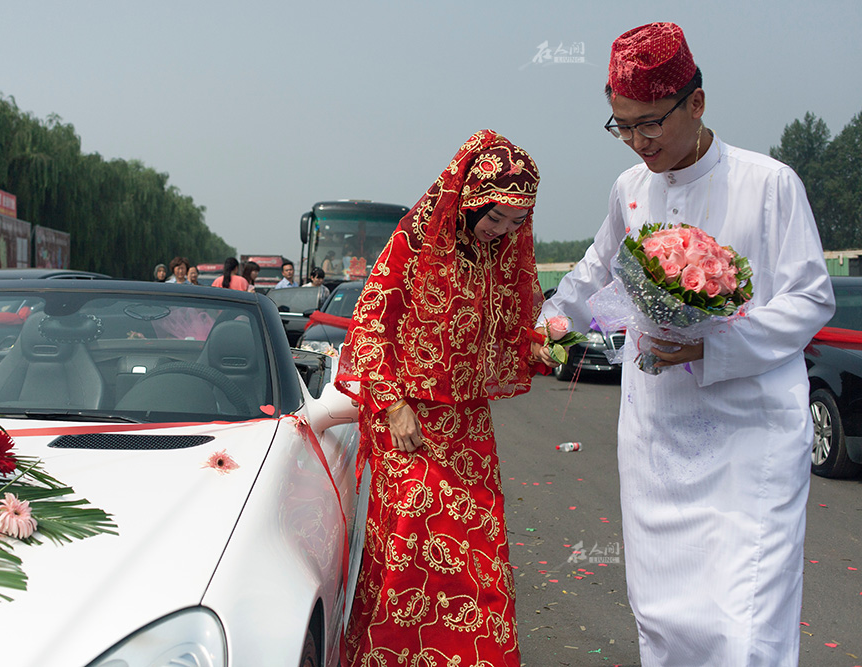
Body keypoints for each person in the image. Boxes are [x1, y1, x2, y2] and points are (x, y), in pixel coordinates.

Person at [538, 23, 834, 665]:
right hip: (660, 437)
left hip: (749, 437)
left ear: (696, 104)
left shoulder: (770, 183)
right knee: (666, 619)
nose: (639, 143)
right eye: (622, 126)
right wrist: (553, 321)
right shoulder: (630, 190)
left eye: (651, 124)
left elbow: (812, 299)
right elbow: (595, 270)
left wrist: (715, 347)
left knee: (745, 624)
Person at [336, 130, 548, 666]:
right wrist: (392, 403)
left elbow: (503, 333)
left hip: (468, 429)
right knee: (408, 555)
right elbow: (368, 324)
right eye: (495, 217)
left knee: (481, 562)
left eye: (516, 223)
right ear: (470, 197)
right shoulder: (415, 239)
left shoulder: (497, 258)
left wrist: (545, 345)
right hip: (408, 421)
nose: (502, 232)